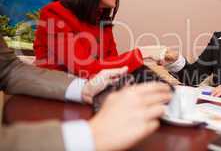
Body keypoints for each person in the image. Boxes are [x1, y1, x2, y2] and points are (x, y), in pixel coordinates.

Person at [0, 33, 172, 150]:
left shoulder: (104, 23)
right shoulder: (57, 13)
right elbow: (84, 65)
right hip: (45, 110)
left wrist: (84, 88)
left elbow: (8, 68)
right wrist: (89, 136)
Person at [34, 0, 165, 79]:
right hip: (62, 95)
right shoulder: (54, 13)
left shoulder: (102, 20)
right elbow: (85, 69)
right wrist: (143, 53)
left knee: (143, 75)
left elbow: (114, 66)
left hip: (96, 93)